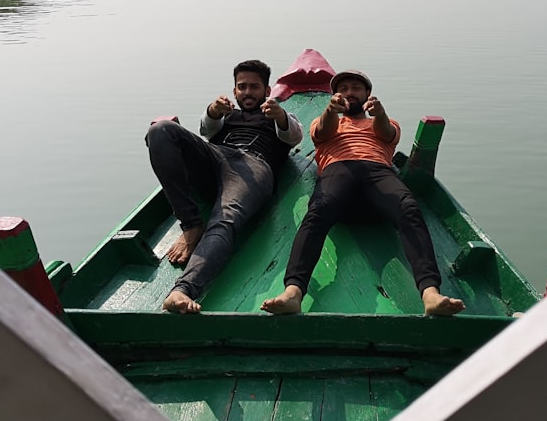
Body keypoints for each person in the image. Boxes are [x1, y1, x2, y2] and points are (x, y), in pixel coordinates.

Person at [261, 69, 465, 316]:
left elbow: (387, 133)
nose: (349, 92)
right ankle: (293, 292)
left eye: (355, 88)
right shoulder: (323, 120)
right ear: (335, 95)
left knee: (408, 207)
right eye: (343, 89)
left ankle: (430, 294)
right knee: (318, 211)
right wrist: (330, 110)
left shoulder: (384, 122)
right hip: (339, 169)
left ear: (367, 94)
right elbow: (322, 132)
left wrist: (379, 113)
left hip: (377, 171)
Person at [147, 59, 303, 313]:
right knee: (162, 130)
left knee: (225, 220)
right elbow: (205, 130)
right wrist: (212, 109)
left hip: (253, 166)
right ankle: (191, 224)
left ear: (267, 90)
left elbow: (294, 135)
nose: (247, 92)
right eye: (242, 87)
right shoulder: (225, 114)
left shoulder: (277, 115)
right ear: (234, 91)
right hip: (216, 154)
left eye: (254, 87)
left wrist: (280, 115)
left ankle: (181, 291)